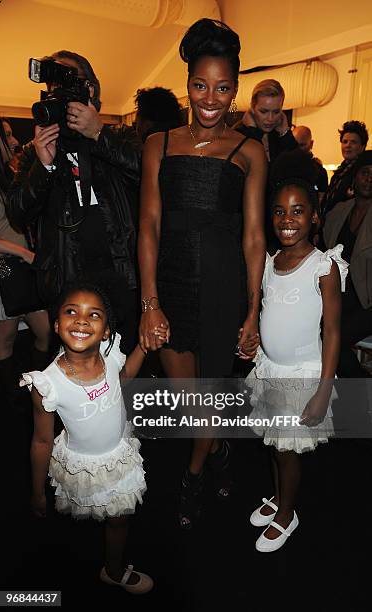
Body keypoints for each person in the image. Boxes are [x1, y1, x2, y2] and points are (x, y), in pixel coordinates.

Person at [138, 18, 267, 529]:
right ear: (187, 82)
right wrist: (150, 302)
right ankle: (216, 454)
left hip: (222, 289)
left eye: (222, 87)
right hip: (168, 286)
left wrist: (253, 311)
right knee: (191, 404)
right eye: (199, 85)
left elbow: (254, 238)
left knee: (207, 400)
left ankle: (191, 478)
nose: (210, 98)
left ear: (235, 90)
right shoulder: (159, 145)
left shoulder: (251, 150)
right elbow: (148, 225)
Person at [21, 283, 167, 592]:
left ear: (105, 331)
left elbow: (124, 377)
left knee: (117, 519)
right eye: (71, 311)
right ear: (57, 324)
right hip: (85, 463)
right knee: (104, 518)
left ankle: (111, 569)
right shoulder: (48, 383)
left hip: (117, 454)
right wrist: (37, 492)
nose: (82, 320)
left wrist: (142, 348)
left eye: (94, 314)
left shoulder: (110, 353)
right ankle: (112, 571)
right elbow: (42, 440)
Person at [244, 150, 347, 552]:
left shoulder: (324, 266)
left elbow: (334, 332)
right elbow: (266, 312)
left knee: (287, 450)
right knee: (273, 442)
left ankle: (288, 513)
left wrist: (323, 390)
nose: (288, 220)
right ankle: (278, 498)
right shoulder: (270, 262)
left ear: (315, 217)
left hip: (302, 376)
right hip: (270, 369)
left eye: (298, 211)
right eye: (279, 212)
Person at [7, 51, 141, 354]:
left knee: (125, 359)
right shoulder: (36, 149)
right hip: (66, 277)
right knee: (75, 369)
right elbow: (17, 213)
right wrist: (44, 167)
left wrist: (98, 134)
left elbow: (148, 176)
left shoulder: (117, 135)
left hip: (120, 273)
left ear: (90, 90)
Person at [0, 118, 51, 403]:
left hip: (21, 268)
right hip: (5, 269)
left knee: (45, 333)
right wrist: (24, 253)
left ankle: (34, 388)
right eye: (6, 135)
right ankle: (11, 404)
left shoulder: (7, 175)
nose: (14, 140)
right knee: (4, 344)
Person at [322, 150, 372, 378]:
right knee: (315, 334)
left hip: (367, 301)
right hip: (338, 295)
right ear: (355, 176)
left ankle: (360, 390)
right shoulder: (339, 211)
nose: (369, 178)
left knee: (332, 340)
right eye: (365, 172)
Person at [234, 79, 298, 162]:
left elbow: (300, 167)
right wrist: (253, 132)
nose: (270, 118)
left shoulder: (278, 135)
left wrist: (285, 133)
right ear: (252, 108)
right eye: (263, 112)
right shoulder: (237, 135)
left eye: (276, 112)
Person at [322, 120, 369, 215]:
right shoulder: (340, 172)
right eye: (345, 142)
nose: (348, 145)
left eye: (353, 142)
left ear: (362, 146)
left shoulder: (363, 174)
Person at [292, 125, 328, 201]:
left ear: (311, 144)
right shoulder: (283, 168)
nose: (297, 149)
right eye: (294, 145)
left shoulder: (320, 172)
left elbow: (321, 201)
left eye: (302, 145)